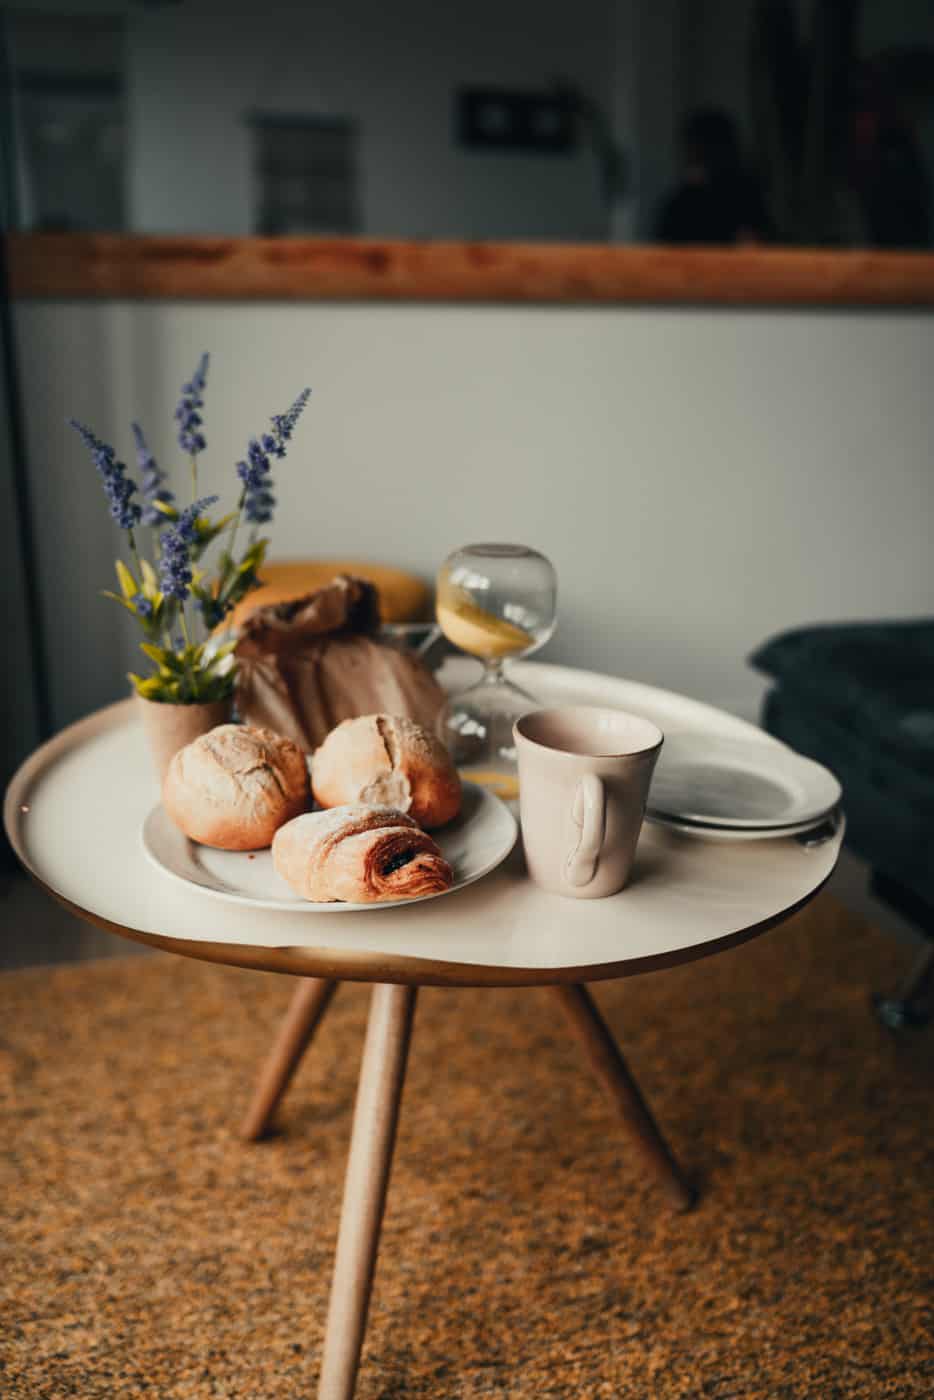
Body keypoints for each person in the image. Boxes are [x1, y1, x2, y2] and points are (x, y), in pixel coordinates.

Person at [655, 107, 773, 245]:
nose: (690, 154)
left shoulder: (743, 194)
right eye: (690, 147)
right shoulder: (680, 202)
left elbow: (752, 242)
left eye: (697, 147)